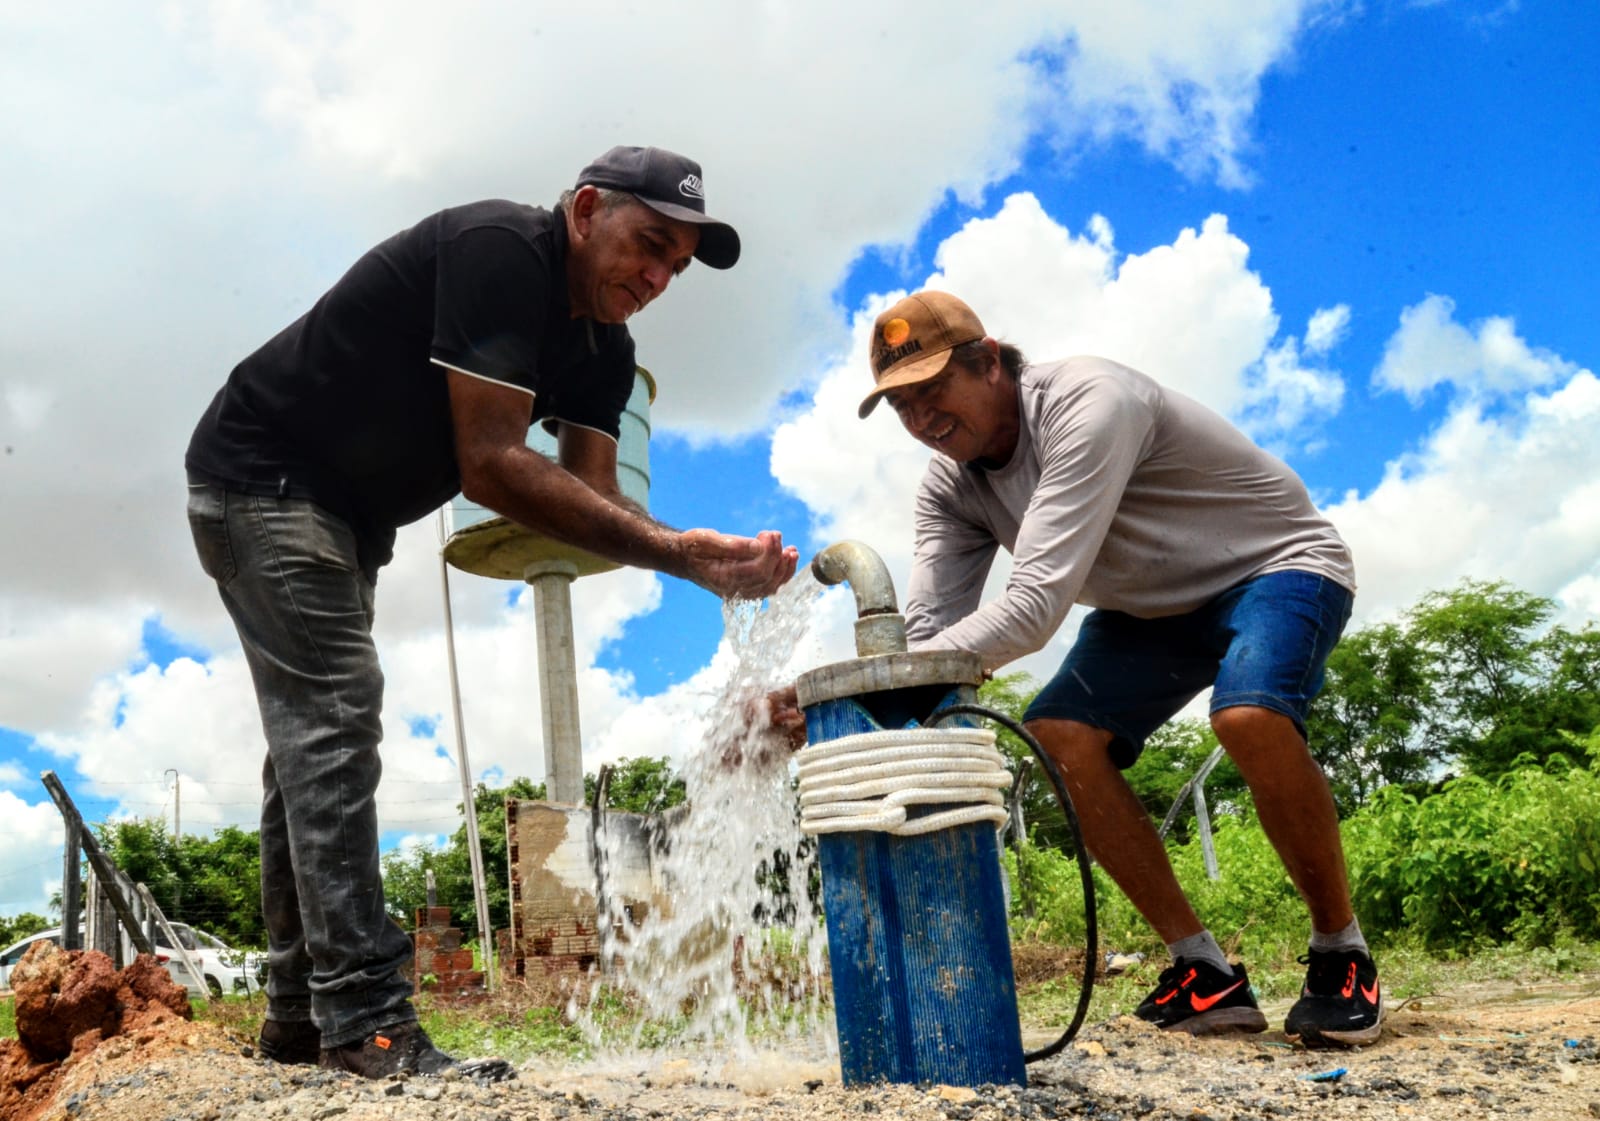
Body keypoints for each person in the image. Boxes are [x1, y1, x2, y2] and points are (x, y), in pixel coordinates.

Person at [185, 146, 798, 1079]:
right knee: (336, 717)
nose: (659, 275)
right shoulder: (497, 251)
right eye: (650, 244)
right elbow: (494, 465)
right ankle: (366, 1017)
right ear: (586, 209)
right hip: (261, 474)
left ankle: (301, 1018)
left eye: (676, 264)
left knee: (310, 745)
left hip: (345, 514)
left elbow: (601, 500)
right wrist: (675, 553)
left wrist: (692, 556)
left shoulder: (606, 349)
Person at [853, 289, 1378, 1047]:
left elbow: (1033, 608)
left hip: (1275, 566)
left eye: (933, 388)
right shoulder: (950, 486)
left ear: (990, 360)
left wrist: (896, 675)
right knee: (1058, 736)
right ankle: (1204, 969)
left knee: (1249, 713)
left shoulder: (1088, 402)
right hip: (1149, 611)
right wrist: (864, 693)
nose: (922, 418)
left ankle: (1341, 952)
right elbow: (934, 633)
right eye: (901, 404)